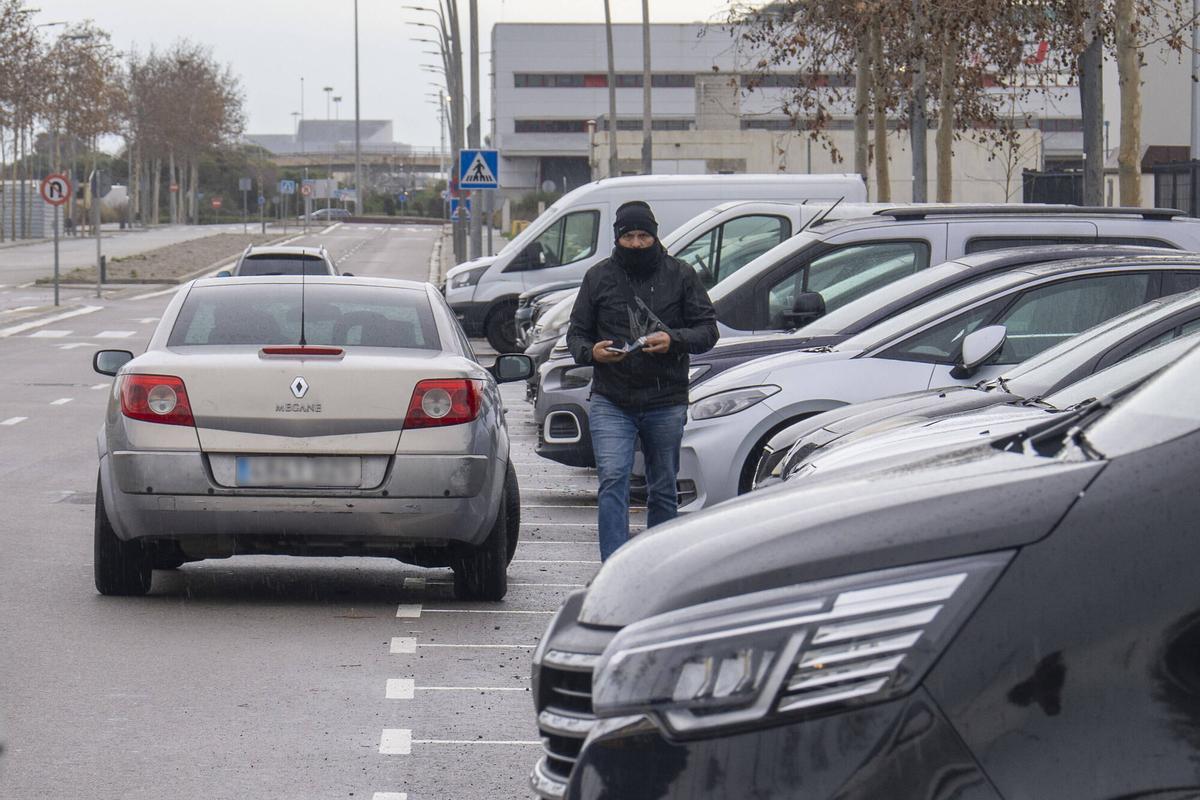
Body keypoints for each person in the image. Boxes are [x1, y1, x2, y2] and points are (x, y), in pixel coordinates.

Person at [566, 201, 719, 561]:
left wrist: (673, 341)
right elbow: (576, 334)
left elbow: (707, 330)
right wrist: (593, 352)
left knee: (664, 486)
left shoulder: (680, 274)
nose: (636, 243)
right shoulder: (599, 276)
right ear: (618, 238)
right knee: (613, 481)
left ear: (655, 235)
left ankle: (657, 567)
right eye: (629, 236)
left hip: (665, 399)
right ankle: (614, 570)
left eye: (643, 235)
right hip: (611, 399)